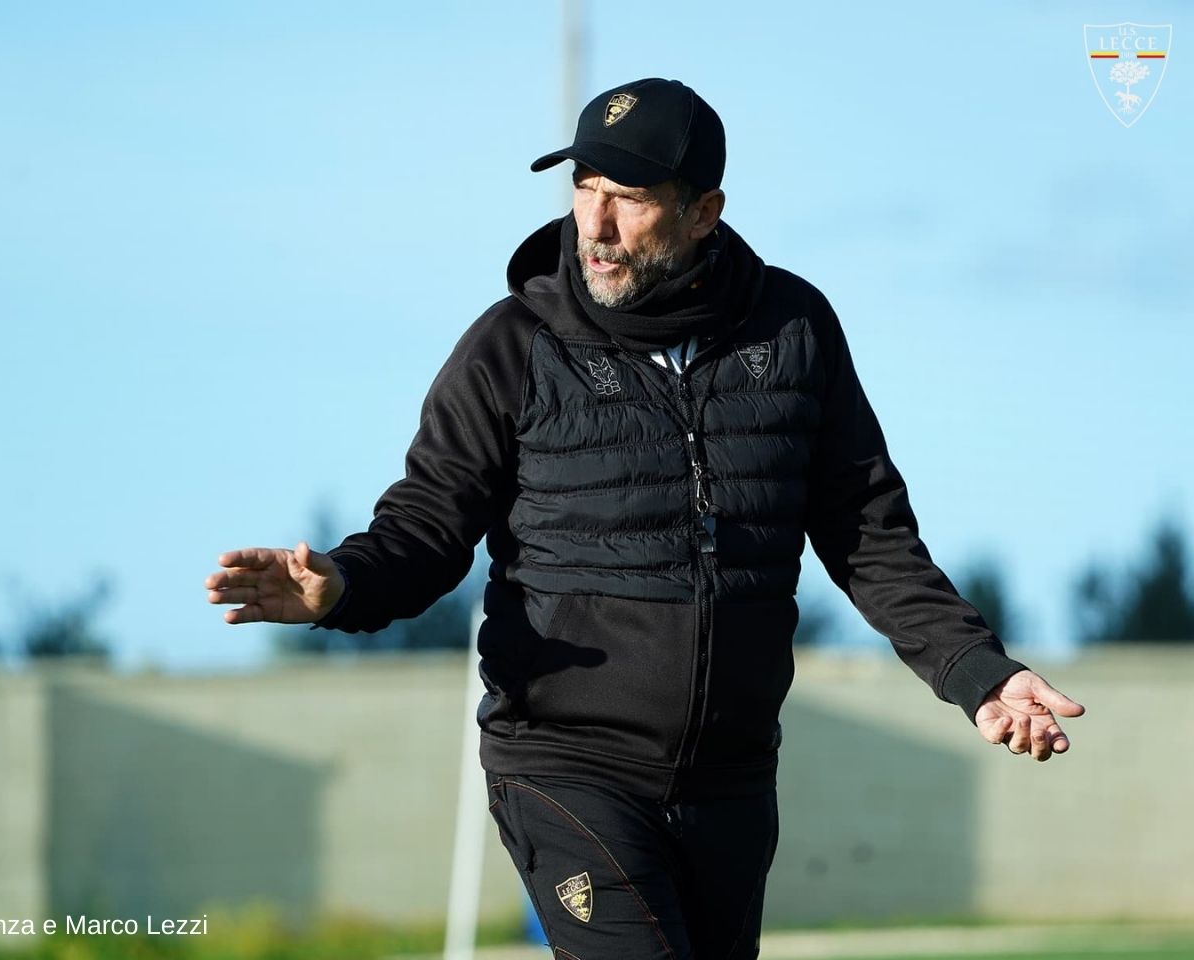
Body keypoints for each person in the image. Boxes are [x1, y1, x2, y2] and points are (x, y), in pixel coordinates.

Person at [205, 78, 1085, 960]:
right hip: (565, 766)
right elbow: (427, 521)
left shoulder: (796, 330)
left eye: (627, 197)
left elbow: (869, 536)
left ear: (704, 212)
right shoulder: (512, 344)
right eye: (583, 187)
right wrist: (344, 584)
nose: (595, 224)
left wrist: (979, 674)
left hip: (733, 780)